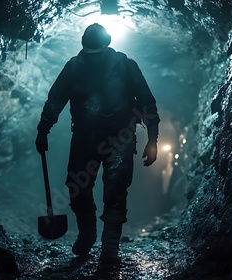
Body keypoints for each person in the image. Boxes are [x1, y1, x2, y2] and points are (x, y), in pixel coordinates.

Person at [35, 23, 160, 263]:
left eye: (97, 53)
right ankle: (88, 235)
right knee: (76, 187)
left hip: (119, 139)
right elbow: (55, 100)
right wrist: (43, 129)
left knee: (115, 191)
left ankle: (110, 246)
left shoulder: (125, 66)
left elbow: (146, 103)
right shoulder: (74, 68)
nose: (93, 58)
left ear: (106, 46)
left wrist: (153, 139)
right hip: (85, 138)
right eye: (89, 54)